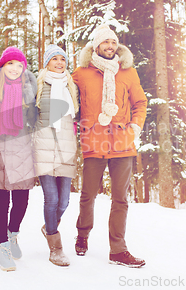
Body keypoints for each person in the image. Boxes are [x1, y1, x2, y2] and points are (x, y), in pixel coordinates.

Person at [72, 24, 147, 267]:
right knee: (88, 195)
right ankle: (82, 235)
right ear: (96, 45)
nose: (110, 46)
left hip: (122, 143)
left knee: (120, 199)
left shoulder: (128, 72)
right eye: (105, 42)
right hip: (93, 141)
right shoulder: (81, 73)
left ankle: (118, 250)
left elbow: (140, 103)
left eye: (113, 43)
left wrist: (135, 127)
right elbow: (69, 102)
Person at [0, 46, 37, 272]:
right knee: (2, 202)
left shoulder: (29, 92)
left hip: (22, 148)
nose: (15, 69)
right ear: (2, 66)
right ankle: (2, 247)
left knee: (22, 200)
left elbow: (35, 121)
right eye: (10, 64)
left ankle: (13, 233)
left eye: (19, 65)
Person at [34, 45, 79, 267]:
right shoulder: (39, 85)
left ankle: (48, 226)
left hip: (66, 148)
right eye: (55, 59)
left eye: (63, 59)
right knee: (51, 199)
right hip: (43, 147)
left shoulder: (72, 87)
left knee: (65, 200)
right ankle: (56, 247)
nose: (59, 63)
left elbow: (75, 120)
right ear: (47, 62)